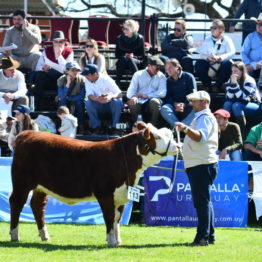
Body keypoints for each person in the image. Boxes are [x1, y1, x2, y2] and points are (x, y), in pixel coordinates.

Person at [175, 90, 218, 246]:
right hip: (200, 164)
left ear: (204, 102)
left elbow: (200, 137)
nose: (191, 103)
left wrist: (185, 129)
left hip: (202, 164)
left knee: (202, 202)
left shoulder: (205, 117)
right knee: (205, 202)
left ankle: (202, 237)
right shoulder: (202, 117)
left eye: (195, 101)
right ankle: (209, 236)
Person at [32, 30, 74, 109]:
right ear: (53, 42)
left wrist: (59, 56)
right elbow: (37, 67)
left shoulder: (69, 52)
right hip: (50, 79)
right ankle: (36, 104)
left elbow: (68, 69)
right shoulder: (47, 51)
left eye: (61, 41)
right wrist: (43, 68)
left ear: (64, 42)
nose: (58, 44)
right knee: (40, 75)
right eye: (56, 41)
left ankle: (62, 106)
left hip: (62, 79)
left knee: (67, 76)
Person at [195, 19, 236, 92]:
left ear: (221, 30)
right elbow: (202, 53)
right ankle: (207, 86)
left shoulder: (227, 39)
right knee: (199, 64)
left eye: (214, 28)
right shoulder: (207, 39)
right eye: (211, 28)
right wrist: (208, 58)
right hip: (210, 64)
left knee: (228, 64)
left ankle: (217, 86)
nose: (212, 30)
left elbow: (232, 52)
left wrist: (221, 57)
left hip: (221, 66)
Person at [223, 61, 261, 138]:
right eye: (232, 71)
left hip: (254, 105)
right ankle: (225, 130)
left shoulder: (249, 80)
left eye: (236, 71)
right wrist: (232, 83)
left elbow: (243, 98)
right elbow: (229, 97)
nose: (233, 73)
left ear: (242, 71)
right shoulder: (231, 80)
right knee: (227, 104)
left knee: (236, 105)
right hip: (239, 103)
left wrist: (234, 84)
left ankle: (242, 132)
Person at [82, 64, 123, 135]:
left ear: (95, 74)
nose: (86, 76)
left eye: (87, 75)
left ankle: (115, 128)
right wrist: (97, 99)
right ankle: (97, 127)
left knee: (117, 102)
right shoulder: (87, 80)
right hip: (98, 104)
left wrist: (110, 97)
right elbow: (89, 95)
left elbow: (120, 94)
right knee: (88, 103)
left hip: (110, 104)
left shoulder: (106, 79)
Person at [126, 56, 166, 126]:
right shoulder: (138, 74)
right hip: (139, 99)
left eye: (159, 68)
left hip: (152, 99)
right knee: (132, 102)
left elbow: (162, 93)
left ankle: (154, 125)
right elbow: (129, 92)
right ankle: (136, 126)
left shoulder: (161, 76)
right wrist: (134, 96)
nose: (158, 70)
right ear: (149, 66)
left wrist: (147, 96)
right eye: (157, 68)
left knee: (155, 102)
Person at [160, 58, 197, 129]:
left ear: (177, 67)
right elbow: (167, 97)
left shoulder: (188, 76)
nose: (168, 70)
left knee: (197, 108)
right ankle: (179, 128)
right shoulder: (167, 81)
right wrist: (175, 104)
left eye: (170, 68)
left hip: (188, 105)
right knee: (164, 108)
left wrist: (184, 104)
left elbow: (193, 94)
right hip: (174, 106)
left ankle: (179, 128)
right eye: (166, 69)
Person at [57, 61, 86, 134]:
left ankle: (81, 125)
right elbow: (62, 96)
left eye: (77, 70)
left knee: (79, 102)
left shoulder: (82, 79)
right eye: (73, 70)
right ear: (67, 70)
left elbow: (82, 95)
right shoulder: (61, 79)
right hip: (65, 99)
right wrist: (68, 84)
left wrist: (70, 98)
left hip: (76, 99)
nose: (75, 72)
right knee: (62, 102)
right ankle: (62, 124)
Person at [115, 19, 145, 86]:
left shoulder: (140, 38)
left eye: (126, 29)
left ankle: (138, 82)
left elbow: (142, 55)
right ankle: (117, 83)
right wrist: (125, 55)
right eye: (123, 28)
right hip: (122, 61)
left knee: (129, 59)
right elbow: (117, 55)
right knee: (124, 58)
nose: (124, 30)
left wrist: (133, 56)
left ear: (132, 29)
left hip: (135, 61)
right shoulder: (119, 38)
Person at [241, 13, 262, 80]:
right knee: (245, 73)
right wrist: (247, 64)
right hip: (251, 66)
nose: (258, 26)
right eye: (257, 23)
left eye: (261, 24)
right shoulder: (250, 36)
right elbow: (244, 52)